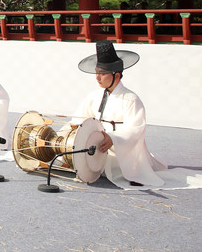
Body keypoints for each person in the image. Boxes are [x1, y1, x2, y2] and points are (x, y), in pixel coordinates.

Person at [69, 41, 167, 187]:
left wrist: (113, 139)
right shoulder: (93, 96)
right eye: (97, 73)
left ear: (117, 75)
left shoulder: (131, 99)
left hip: (120, 152)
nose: (97, 77)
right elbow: (79, 119)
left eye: (102, 73)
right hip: (94, 146)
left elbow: (135, 130)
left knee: (115, 169)